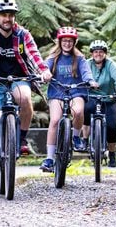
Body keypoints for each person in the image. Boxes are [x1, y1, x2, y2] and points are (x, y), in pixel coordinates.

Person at [0, 0, 52, 178]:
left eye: (11, 15)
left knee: (25, 100)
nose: (7, 19)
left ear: (14, 17)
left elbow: (33, 54)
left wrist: (43, 70)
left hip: (19, 78)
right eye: (4, 15)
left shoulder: (22, 34)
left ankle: (20, 139)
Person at [40, 27, 98, 172]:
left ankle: (76, 137)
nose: (67, 43)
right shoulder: (52, 58)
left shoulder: (79, 58)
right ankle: (49, 158)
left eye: (70, 41)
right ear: (60, 42)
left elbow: (86, 73)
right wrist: (45, 74)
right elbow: (44, 69)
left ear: (74, 42)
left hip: (76, 91)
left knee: (78, 111)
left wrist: (90, 81)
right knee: (54, 120)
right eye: (65, 41)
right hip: (57, 92)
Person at [80, 40, 116, 167]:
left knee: (112, 128)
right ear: (92, 53)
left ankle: (112, 154)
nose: (98, 54)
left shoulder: (111, 65)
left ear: (105, 53)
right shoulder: (86, 64)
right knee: (84, 112)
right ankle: (85, 140)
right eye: (96, 52)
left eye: (101, 52)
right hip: (91, 97)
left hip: (109, 99)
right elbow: (80, 77)